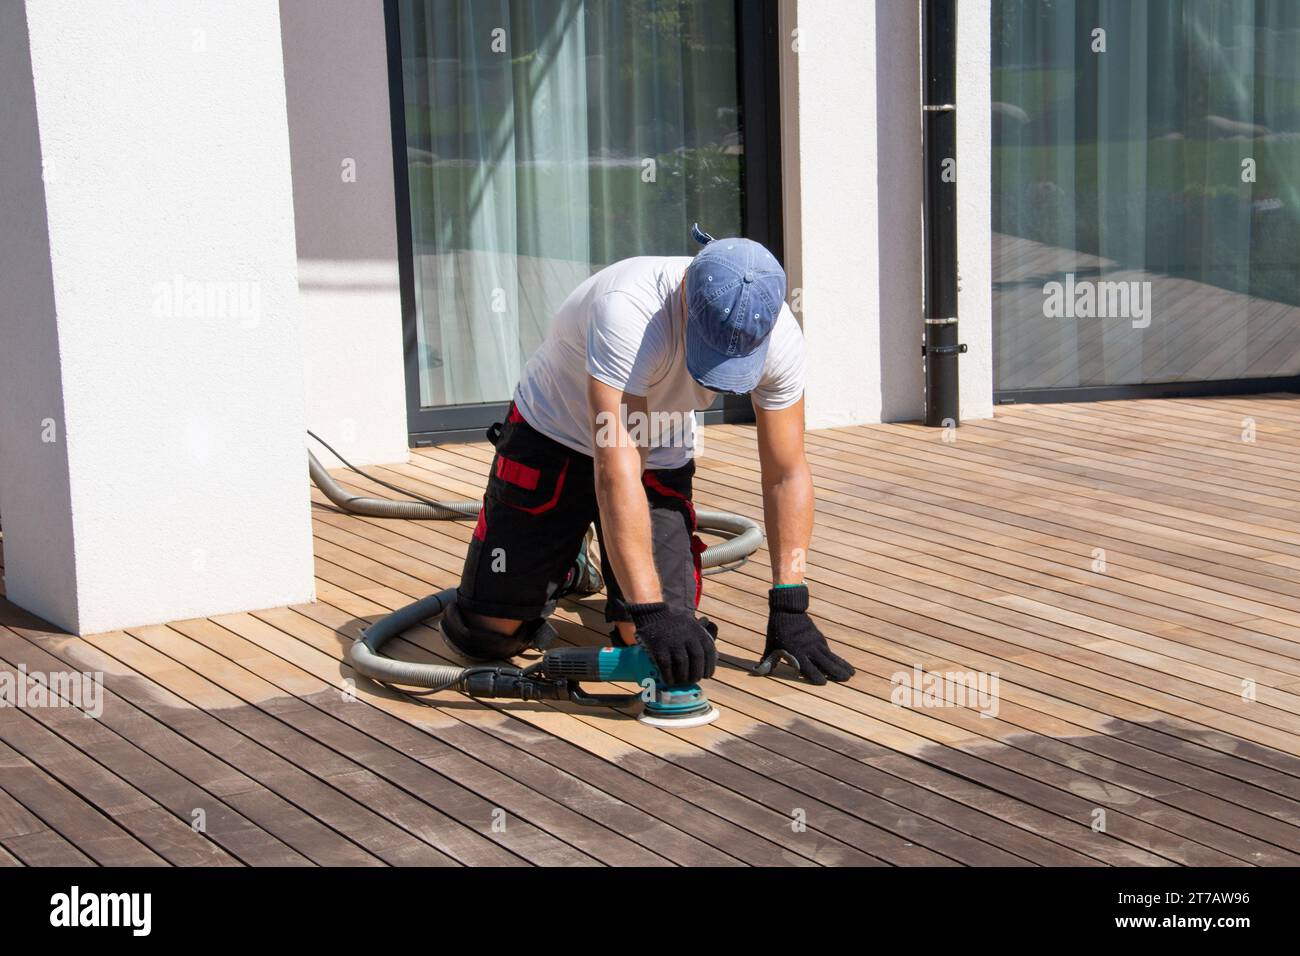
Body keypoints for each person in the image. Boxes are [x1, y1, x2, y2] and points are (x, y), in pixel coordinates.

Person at [440, 227, 855, 688]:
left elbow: (786, 472)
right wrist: (653, 612)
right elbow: (616, 472)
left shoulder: (779, 337)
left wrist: (790, 602)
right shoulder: (629, 311)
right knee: (486, 635)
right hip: (551, 433)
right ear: (684, 299)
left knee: (650, 645)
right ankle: (568, 558)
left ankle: (579, 559)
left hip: (656, 448)